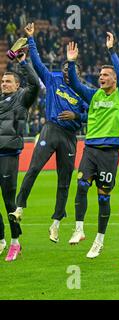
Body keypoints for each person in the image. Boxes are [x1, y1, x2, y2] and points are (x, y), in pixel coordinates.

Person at [10, 23, 88, 243]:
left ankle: (56, 223)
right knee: (33, 168)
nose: (64, 72)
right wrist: (31, 39)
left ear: (75, 73)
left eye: (69, 69)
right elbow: (38, 63)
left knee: (64, 181)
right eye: (63, 68)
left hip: (70, 137)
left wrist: (77, 117)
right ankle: (19, 208)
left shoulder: (82, 91)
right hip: (51, 129)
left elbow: (90, 115)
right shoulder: (53, 79)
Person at [65, 33, 119, 258]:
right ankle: (79, 229)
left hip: (110, 153)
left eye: (105, 75)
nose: (101, 77)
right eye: (100, 74)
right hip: (91, 149)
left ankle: (99, 240)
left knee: (103, 196)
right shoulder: (93, 95)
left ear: (113, 79)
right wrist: (71, 62)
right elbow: (74, 83)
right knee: (82, 186)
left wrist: (112, 51)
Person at [0, 53, 40, 261]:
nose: (4, 84)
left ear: (17, 85)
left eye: (8, 81)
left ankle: (16, 242)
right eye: (3, 81)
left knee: (9, 202)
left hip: (8, 155)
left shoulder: (23, 98)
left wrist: (23, 62)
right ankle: (1, 239)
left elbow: (36, 84)